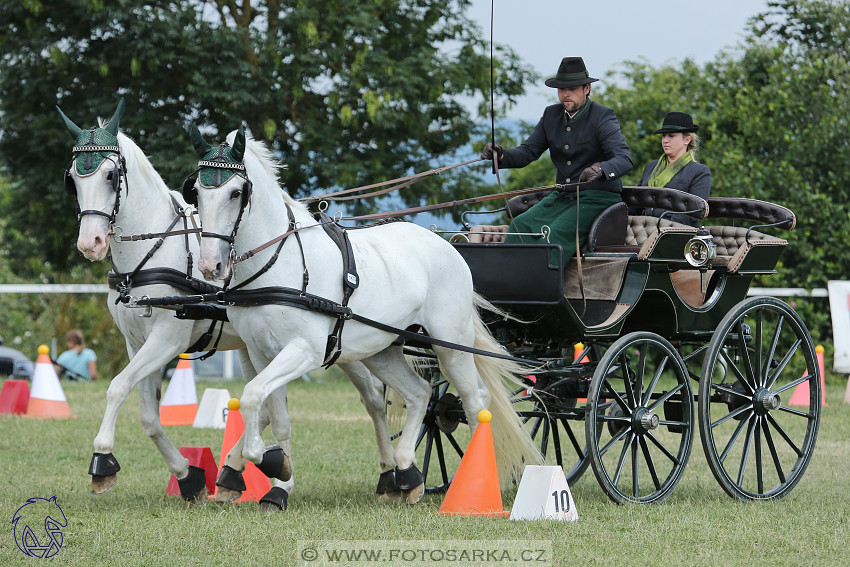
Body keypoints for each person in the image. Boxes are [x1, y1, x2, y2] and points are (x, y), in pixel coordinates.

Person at [481, 56, 633, 261]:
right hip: (562, 197)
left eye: (572, 89)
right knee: (520, 227)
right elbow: (528, 152)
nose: (566, 94)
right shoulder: (551, 115)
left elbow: (624, 158)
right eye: (562, 89)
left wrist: (600, 169)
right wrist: (501, 155)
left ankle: (542, 288)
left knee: (554, 235)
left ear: (586, 89)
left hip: (597, 198)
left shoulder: (602, 116)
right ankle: (510, 282)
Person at [637, 111, 711, 227]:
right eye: (663, 136)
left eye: (671, 136)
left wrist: (664, 229)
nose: (665, 140)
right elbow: (637, 203)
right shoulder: (651, 167)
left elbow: (693, 212)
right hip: (644, 230)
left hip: (677, 233)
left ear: (687, 140)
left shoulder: (699, 172)